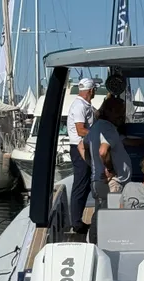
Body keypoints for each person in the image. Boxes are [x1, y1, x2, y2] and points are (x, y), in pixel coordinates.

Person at [67, 78, 97, 234]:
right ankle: (76, 223)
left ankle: (78, 220)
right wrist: (99, 135)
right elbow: (80, 130)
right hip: (79, 148)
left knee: (84, 185)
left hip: (84, 147)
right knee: (80, 184)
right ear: (91, 90)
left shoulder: (85, 105)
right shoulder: (79, 106)